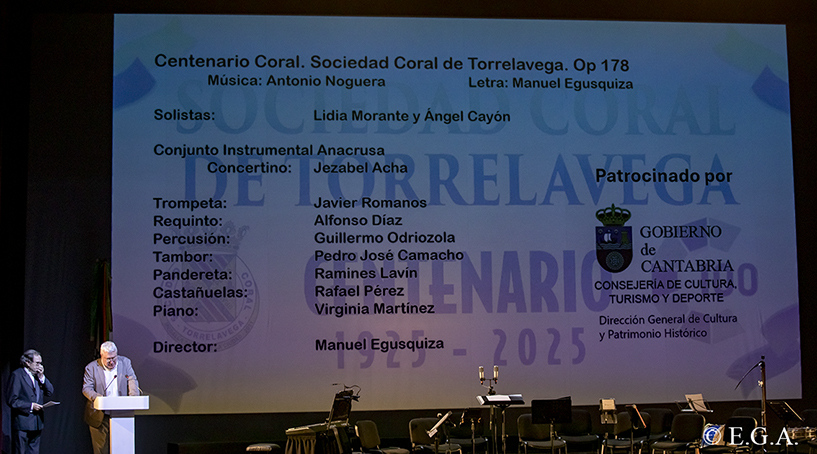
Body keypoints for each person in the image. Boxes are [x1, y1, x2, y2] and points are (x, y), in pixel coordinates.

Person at [82, 341, 139, 454]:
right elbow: (86, 388)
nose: (112, 362)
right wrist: (98, 398)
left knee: (122, 448)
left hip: (121, 414)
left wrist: (133, 397)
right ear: (101, 355)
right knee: (101, 450)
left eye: (114, 358)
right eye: (108, 359)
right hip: (100, 415)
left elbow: (132, 379)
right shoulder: (91, 367)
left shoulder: (125, 362)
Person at [5, 349, 55, 454]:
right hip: (23, 423)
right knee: (20, 451)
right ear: (28, 363)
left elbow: (50, 392)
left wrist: (42, 377)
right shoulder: (17, 375)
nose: (39, 366)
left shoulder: (38, 376)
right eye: (37, 363)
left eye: (40, 363)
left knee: (34, 451)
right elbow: (12, 400)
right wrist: (31, 406)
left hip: (37, 423)